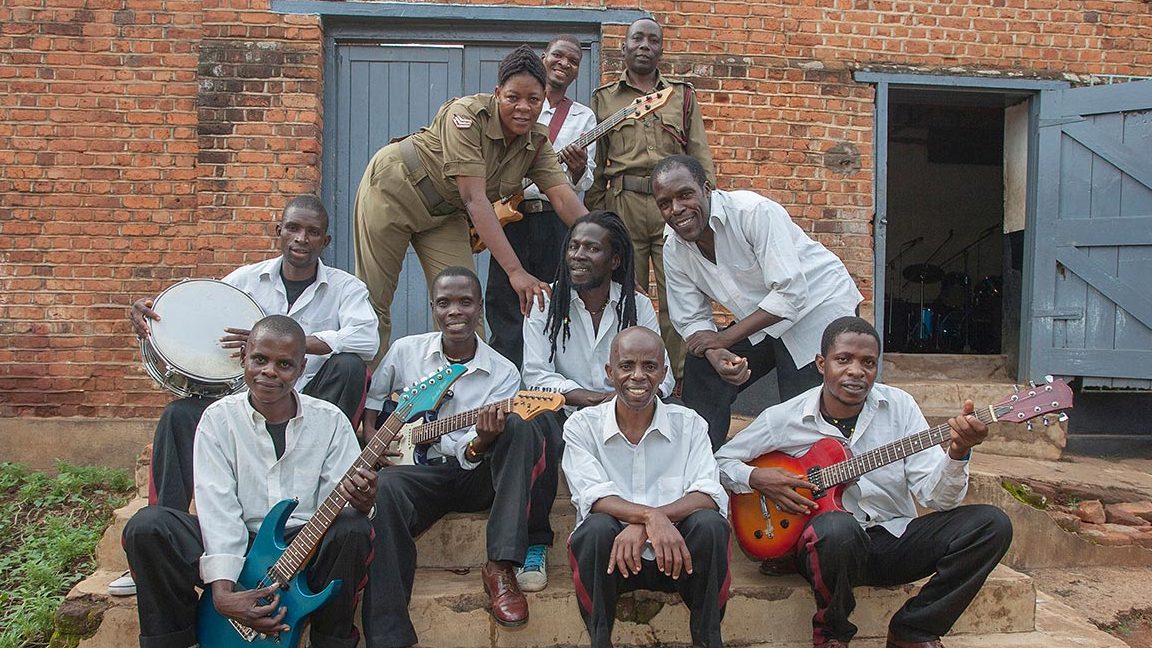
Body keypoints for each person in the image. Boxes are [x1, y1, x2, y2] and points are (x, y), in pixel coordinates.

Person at [114, 196, 378, 597]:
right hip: (247, 400)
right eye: (292, 228)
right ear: (279, 232)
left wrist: (293, 344)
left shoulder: (345, 288)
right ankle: (156, 547)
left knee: (351, 366)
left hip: (313, 407)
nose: (300, 239)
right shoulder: (244, 281)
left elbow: (366, 338)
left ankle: (318, 490)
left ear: (325, 241)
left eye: (311, 232)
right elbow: (200, 323)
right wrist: (154, 323)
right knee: (179, 415)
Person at [714, 317, 1013, 648]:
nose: (856, 371)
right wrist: (757, 477)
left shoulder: (899, 407)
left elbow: (938, 499)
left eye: (868, 363)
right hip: (824, 550)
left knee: (992, 525)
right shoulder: (784, 417)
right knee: (838, 529)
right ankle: (832, 635)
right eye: (844, 359)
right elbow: (719, 462)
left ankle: (914, 630)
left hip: (892, 540)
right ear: (821, 364)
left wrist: (957, 452)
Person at [121, 315, 377, 648]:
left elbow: (337, 503)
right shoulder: (218, 419)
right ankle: (174, 640)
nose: (269, 371)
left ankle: (331, 641)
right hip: (239, 539)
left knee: (352, 528)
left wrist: (363, 501)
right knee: (148, 526)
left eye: (284, 364)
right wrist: (223, 592)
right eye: (260, 359)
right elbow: (217, 506)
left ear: (301, 371)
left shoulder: (331, 422)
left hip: (303, 541)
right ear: (244, 359)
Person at [353, 45, 589, 362]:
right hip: (395, 188)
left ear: (543, 99)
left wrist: (612, 244)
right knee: (374, 301)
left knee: (465, 306)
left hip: (445, 212)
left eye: (533, 100)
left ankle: (463, 400)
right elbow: (474, 198)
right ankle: (368, 399)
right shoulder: (466, 116)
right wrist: (515, 271)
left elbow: (563, 198)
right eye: (513, 98)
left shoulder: (536, 142)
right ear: (497, 93)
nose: (523, 108)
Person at [361, 267, 546, 647]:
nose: (454, 311)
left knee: (520, 427)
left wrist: (483, 439)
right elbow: (377, 398)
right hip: (417, 471)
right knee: (383, 492)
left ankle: (501, 566)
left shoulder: (502, 372)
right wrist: (374, 442)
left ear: (479, 308)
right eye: (444, 303)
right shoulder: (406, 351)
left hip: (475, 473)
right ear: (433, 308)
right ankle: (389, 635)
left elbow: (474, 453)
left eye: (465, 302)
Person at [652, 154, 864, 450]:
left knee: (803, 411)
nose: (676, 209)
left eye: (685, 195)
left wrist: (724, 338)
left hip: (819, 309)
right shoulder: (674, 247)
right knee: (703, 368)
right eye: (665, 203)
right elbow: (690, 319)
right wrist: (716, 352)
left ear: (707, 188)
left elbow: (790, 294)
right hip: (764, 317)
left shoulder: (754, 212)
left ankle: (816, 482)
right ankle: (701, 467)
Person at [517, 210, 675, 592]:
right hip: (564, 409)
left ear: (615, 259)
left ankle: (659, 523)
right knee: (533, 426)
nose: (578, 255)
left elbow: (663, 375)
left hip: (625, 412)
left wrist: (625, 399)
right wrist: (590, 398)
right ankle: (535, 542)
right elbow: (535, 376)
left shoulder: (636, 307)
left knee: (676, 421)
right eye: (573, 246)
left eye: (591, 248)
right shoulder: (544, 302)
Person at [563, 327, 729, 648]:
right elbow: (593, 496)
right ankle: (600, 640)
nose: (638, 376)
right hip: (616, 561)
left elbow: (708, 494)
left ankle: (708, 640)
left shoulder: (690, 424)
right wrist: (650, 518)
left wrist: (650, 521)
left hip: (678, 557)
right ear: (610, 372)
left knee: (710, 527)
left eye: (649, 367)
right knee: (595, 530)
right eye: (627, 366)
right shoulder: (582, 426)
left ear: (664, 373)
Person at [587, 18, 716, 383]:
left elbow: (699, 154)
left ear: (661, 48)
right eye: (637, 38)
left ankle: (677, 383)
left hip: (673, 211)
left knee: (680, 299)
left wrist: (710, 204)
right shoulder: (604, 99)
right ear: (624, 47)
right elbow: (597, 165)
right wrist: (597, 219)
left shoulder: (681, 96)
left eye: (653, 40)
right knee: (626, 297)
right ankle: (627, 380)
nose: (645, 45)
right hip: (623, 205)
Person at [486, 35, 598, 369]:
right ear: (544, 57)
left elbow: (585, 182)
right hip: (511, 216)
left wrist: (577, 170)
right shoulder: (516, 107)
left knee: (553, 295)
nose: (565, 63)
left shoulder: (583, 117)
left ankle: (547, 374)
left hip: (555, 219)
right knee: (504, 296)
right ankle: (504, 374)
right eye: (559, 56)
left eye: (573, 61)